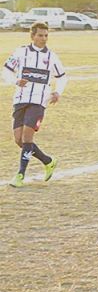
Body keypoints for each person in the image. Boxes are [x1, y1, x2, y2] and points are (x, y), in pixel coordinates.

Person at [2, 22, 66, 188]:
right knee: (19, 140)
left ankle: (20, 175)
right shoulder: (20, 52)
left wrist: (57, 92)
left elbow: (62, 77)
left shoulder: (52, 57)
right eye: (40, 35)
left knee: (28, 137)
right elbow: (6, 70)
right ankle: (48, 161)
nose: (43, 38)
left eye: (46, 35)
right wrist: (15, 81)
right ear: (32, 36)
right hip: (20, 99)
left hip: (39, 102)